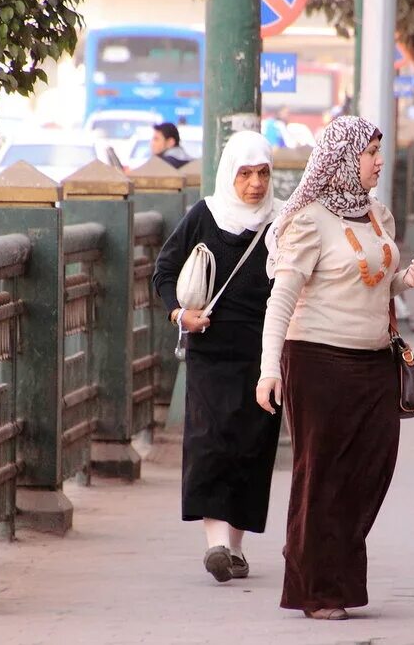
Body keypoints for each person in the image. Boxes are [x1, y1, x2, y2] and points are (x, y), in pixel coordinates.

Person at [255, 116, 414, 620]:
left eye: (379, 152)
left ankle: (321, 566)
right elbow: (282, 300)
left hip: (374, 362)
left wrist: (406, 280)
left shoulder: (378, 214)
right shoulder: (310, 220)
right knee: (322, 477)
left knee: (371, 470)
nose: (380, 161)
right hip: (317, 361)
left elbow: (374, 282)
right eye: (371, 152)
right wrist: (270, 370)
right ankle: (317, 588)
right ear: (343, 158)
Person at [151, 131, 282, 584]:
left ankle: (238, 548)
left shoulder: (280, 222)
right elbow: (164, 269)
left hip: (264, 356)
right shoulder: (205, 215)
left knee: (252, 448)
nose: (255, 184)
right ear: (230, 173)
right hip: (209, 352)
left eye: (262, 173)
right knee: (209, 443)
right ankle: (215, 545)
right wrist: (179, 314)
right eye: (245, 174)